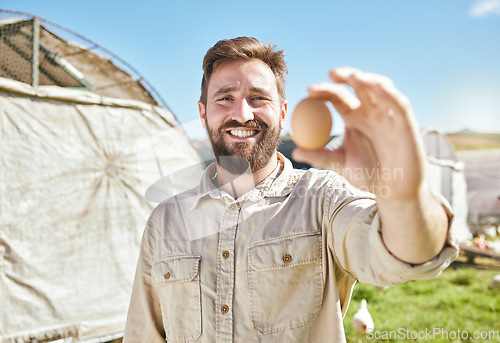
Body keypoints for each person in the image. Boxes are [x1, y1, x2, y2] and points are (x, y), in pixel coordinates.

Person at [123, 36, 458, 342]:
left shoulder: (322, 200)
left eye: (258, 98)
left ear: (283, 114)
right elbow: (144, 335)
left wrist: (404, 195)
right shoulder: (165, 221)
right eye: (225, 98)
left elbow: (410, 254)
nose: (242, 113)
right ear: (203, 113)